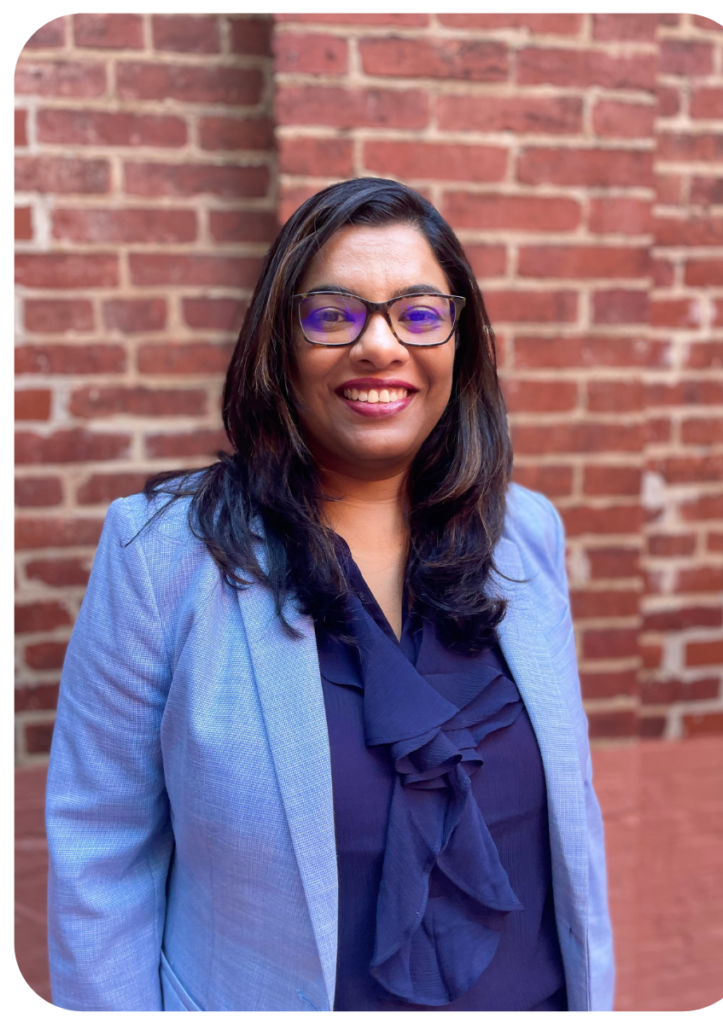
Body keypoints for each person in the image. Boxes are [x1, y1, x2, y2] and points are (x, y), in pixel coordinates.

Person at [45, 177, 614, 1012]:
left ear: (461, 341)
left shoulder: (526, 535)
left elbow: (574, 830)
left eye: (419, 313)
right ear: (280, 341)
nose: (380, 347)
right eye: (333, 313)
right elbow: (100, 852)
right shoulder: (161, 554)